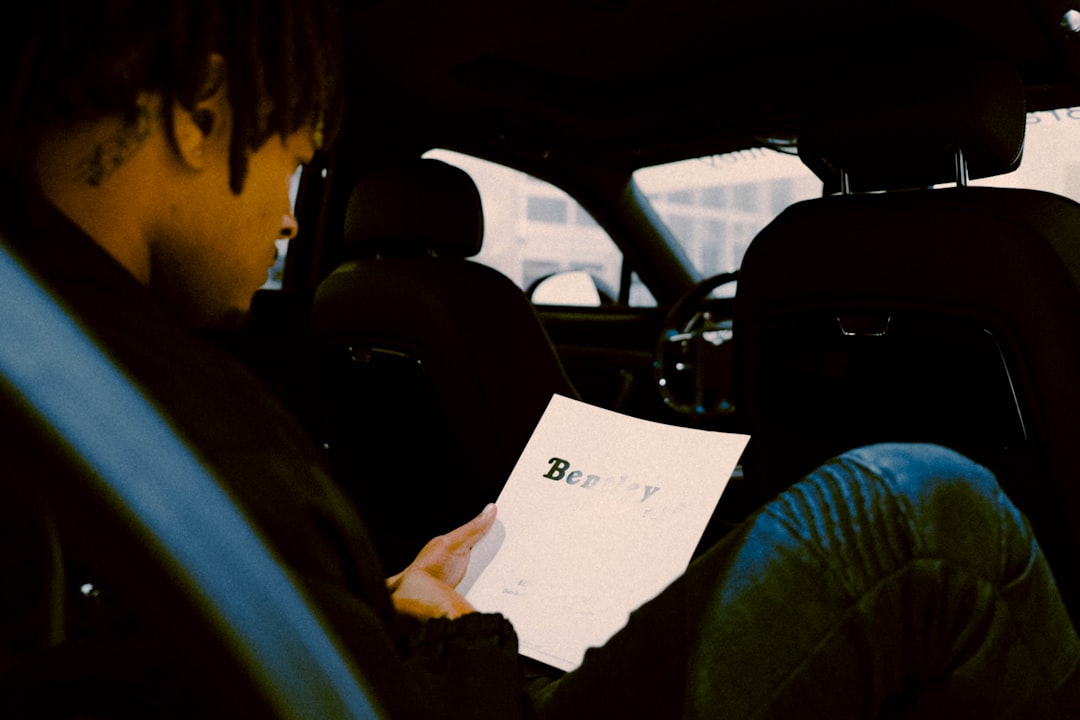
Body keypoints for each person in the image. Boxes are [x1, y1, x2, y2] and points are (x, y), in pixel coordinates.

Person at [0, 2, 1077, 717]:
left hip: (395, 667)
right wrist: (467, 643)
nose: (292, 220)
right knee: (919, 510)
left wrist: (377, 605)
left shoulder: (67, 354)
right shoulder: (124, 384)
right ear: (198, 119)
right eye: (294, 163)